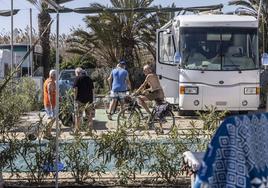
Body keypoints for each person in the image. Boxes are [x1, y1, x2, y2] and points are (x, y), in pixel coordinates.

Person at [73, 68, 94, 134]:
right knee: (89, 116)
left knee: (78, 116)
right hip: (89, 100)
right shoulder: (89, 79)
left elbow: (75, 89)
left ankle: (77, 131)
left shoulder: (77, 78)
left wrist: (75, 98)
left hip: (80, 100)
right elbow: (93, 90)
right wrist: (92, 99)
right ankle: (89, 131)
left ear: (77, 72)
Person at [43, 69, 57, 139]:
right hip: (50, 103)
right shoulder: (50, 83)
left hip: (51, 103)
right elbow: (50, 95)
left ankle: (48, 133)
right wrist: (52, 105)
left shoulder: (49, 81)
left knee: (52, 118)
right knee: (51, 118)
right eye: (55, 75)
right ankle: (46, 133)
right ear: (53, 75)